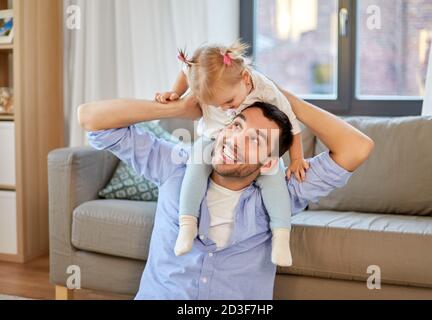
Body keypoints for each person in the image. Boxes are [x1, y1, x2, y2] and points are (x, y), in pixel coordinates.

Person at [78, 91, 373, 299]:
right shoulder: (176, 165)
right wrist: (176, 109)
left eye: (255, 141)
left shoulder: (285, 190)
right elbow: (90, 119)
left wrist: (287, 101)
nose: (235, 141)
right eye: (236, 127)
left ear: (269, 163)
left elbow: (357, 148)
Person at [155, 41, 308, 266]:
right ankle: (187, 224)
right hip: (213, 138)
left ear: (245, 78)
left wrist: (297, 159)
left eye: (229, 102)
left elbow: (291, 124)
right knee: (195, 167)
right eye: (216, 105)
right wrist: (175, 93)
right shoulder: (201, 74)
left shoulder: (264, 88)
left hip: (249, 146)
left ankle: (281, 236)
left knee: (274, 176)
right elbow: (186, 70)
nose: (226, 108)